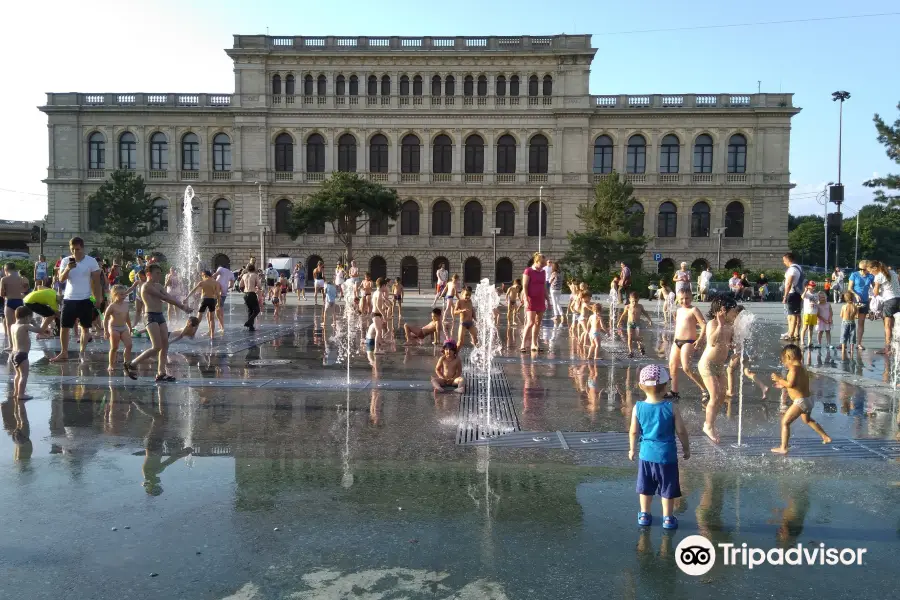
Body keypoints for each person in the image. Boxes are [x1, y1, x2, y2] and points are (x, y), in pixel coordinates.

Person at [628, 365, 689, 530]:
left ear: (641, 386)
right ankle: (668, 518)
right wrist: (686, 448)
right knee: (667, 487)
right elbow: (681, 431)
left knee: (645, 487)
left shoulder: (638, 407)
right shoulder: (671, 407)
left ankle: (644, 515)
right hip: (667, 456)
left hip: (646, 455)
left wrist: (632, 449)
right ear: (666, 386)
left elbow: (634, 431)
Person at [123, 264, 190, 381]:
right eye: (157, 273)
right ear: (149, 274)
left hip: (160, 316)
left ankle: (161, 373)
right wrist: (182, 307)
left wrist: (182, 304)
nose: (159, 275)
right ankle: (132, 363)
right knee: (156, 347)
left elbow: (168, 295)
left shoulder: (159, 285)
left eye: (160, 273)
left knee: (165, 345)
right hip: (150, 316)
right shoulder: (146, 286)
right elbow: (163, 298)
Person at [770, 344, 832, 454]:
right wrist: (783, 385)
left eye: (784, 361)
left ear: (789, 358)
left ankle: (783, 448)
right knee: (807, 420)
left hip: (800, 402)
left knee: (785, 422)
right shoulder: (802, 367)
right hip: (808, 400)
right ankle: (825, 436)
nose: (784, 364)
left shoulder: (793, 369)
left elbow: (791, 384)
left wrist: (779, 379)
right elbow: (798, 384)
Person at [51, 237, 104, 363]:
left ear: (83, 248)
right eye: (72, 249)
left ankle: (82, 353)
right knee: (64, 327)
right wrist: (68, 268)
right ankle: (64, 353)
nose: (75, 252)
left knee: (85, 328)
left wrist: (98, 298)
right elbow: (61, 280)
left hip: (85, 299)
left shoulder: (91, 262)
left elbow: (96, 282)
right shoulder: (65, 261)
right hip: (69, 299)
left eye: (77, 249)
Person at [699, 295, 737, 443]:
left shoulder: (730, 326)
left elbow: (731, 342)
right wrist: (720, 326)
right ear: (722, 310)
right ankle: (707, 426)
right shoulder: (713, 324)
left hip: (720, 366)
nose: (735, 315)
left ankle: (711, 423)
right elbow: (712, 341)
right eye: (733, 312)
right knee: (714, 396)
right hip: (707, 364)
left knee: (721, 396)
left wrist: (736, 345)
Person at [667, 290, 707, 401]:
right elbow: (678, 327)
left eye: (687, 298)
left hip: (689, 342)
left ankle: (704, 388)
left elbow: (704, 325)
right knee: (672, 366)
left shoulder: (693, 310)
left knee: (686, 368)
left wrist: (700, 339)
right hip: (677, 342)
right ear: (678, 300)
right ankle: (674, 391)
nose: (684, 301)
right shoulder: (679, 310)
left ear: (691, 298)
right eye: (681, 299)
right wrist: (674, 341)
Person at [10, 306, 49, 400]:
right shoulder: (25, 326)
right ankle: (21, 394)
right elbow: (40, 330)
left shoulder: (13, 326)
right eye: (30, 318)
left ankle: (16, 392)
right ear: (27, 317)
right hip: (22, 355)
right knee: (24, 376)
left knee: (18, 375)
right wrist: (35, 322)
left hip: (13, 354)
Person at [868, 260, 900, 355]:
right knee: (894, 325)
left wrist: (874, 289)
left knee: (887, 326)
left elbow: (875, 293)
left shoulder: (879, 276)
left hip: (889, 301)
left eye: (870, 271)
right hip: (897, 299)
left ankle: (887, 348)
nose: (870, 273)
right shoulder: (892, 272)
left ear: (875, 268)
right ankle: (895, 347)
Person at [520, 252, 547, 353]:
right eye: (542, 263)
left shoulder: (543, 272)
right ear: (536, 261)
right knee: (530, 322)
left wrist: (547, 298)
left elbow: (544, 286)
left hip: (540, 299)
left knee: (538, 322)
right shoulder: (528, 271)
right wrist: (526, 299)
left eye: (544, 264)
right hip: (531, 299)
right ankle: (523, 343)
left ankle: (534, 343)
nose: (543, 266)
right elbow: (525, 286)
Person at [103, 285, 133, 373]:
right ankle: (111, 364)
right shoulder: (112, 306)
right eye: (121, 295)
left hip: (123, 327)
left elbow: (127, 317)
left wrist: (130, 327)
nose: (124, 296)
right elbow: (105, 319)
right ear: (115, 295)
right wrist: (105, 330)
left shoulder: (126, 305)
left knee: (129, 345)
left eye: (124, 294)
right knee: (114, 347)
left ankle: (126, 363)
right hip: (114, 328)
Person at [1, 262, 29, 349]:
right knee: (21, 324)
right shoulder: (22, 279)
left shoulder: (4, 279)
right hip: (19, 301)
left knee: (10, 325)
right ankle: (22, 344)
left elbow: (1, 293)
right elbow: (26, 289)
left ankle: (11, 345)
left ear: (6, 270)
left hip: (9, 301)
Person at [186, 271, 221, 339]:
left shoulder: (202, 282)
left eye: (202, 275)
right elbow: (218, 294)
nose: (202, 277)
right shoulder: (216, 282)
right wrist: (218, 304)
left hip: (204, 300)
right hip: (212, 300)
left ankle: (193, 333)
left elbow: (193, 290)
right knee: (212, 319)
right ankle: (212, 336)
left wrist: (187, 298)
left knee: (198, 318)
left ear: (205, 275)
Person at [847, 260, 873, 351]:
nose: (862, 271)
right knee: (849, 322)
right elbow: (849, 288)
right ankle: (845, 342)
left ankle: (858, 343)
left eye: (864, 269)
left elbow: (875, 288)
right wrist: (855, 294)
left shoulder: (870, 276)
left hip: (865, 301)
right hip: (854, 301)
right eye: (861, 269)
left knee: (861, 323)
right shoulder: (854, 275)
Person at [617, 291, 652, 358]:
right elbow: (623, 315)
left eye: (636, 301)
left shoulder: (640, 306)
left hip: (638, 324)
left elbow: (645, 313)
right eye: (633, 301)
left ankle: (641, 347)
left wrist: (649, 320)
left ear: (638, 299)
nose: (634, 303)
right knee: (630, 337)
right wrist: (619, 322)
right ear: (629, 299)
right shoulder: (627, 307)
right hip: (630, 323)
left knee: (638, 338)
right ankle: (631, 352)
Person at [781, 252, 805, 341]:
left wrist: (785, 296)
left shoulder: (791, 270)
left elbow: (788, 283)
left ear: (788, 259)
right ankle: (796, 333)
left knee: (792, 315)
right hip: (799, 293)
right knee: (797, 314)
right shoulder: (799, 267)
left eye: (784, 261)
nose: (784, 263)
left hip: (793, 293)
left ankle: (790, 334)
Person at [213, 263, 234, 331]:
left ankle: (221, 326)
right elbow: (231, 285)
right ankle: (221, 325)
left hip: (217, 290)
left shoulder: (221, 269)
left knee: (216, 308)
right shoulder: (231, 273)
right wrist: (226, 288)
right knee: (221, 307)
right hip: (224, 292)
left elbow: (214, 275)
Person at [241, 264, 261, 331]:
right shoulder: (255, 275)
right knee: (257, 310)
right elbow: (259, 285)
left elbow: (240, 286)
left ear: (247, 269)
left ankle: (251, 327)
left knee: (250, 310)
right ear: (254, 269)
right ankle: (249, 322)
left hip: (245, 294)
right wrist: (258, 288)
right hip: (252, 293)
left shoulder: (244, 275)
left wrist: (244, 291)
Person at [840, 292, 858, 361]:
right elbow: (856, 316)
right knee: (852, 336)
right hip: (852, 323)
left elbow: (841, 315)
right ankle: (851, 350)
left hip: (845, 322)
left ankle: (843, 349)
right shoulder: (854, 307)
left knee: (843, 336)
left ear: (845, 299)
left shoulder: (844, 306)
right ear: (852, 298)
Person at [800, 281, 819, 349]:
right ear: (808, 286)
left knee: (811, 328)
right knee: (805, 327)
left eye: (814, 286)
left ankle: (809, 342)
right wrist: (805, 290)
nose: (813, 287)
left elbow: (817, 302)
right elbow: (802, 297)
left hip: (814, 312)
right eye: (811, 286)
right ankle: (802, 341)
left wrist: (816, 304)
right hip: (807, 313)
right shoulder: (807, 294)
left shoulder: (816, 294)